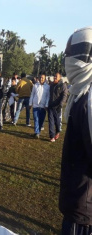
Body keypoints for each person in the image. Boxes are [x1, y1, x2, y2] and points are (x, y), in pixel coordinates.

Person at [59, 26, 92, 235]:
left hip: (83, 210)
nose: (65, 59)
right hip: (77, 202)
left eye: (68, 53)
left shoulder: (90, 99)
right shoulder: (81, 91)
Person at [47, 72, 68, 142]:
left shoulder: (63, 85)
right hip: (51, 106)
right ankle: (52, 136)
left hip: (57, 107)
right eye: (54, 76)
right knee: (51, 121)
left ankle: (58, 131)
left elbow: (65, 96)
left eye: (56, 76)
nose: (55, 77)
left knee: (57, 122)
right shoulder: (52, 85)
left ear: (60, 77)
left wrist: (61, 105)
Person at [29, 73, 50, 139]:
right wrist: (30, 103)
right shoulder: (35, 85)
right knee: (36, 119)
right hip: (35, 106)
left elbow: (48, 97)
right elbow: (32, 95)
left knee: (41, 120)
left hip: (43, 106)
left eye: (42, 78)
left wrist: (46, 105)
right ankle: (37, 132)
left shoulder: (47, 87)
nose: (41, 79)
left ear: (45, 79)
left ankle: (38, 131)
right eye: (40, 77)